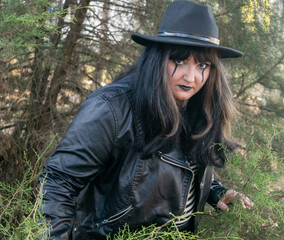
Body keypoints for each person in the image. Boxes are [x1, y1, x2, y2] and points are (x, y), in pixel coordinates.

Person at [39, 0, 253, 239]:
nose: (191, 77)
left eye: (202, 64)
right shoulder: (112, 108)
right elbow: (57, 183)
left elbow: (179, 168)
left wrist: (214, 191)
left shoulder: (197, 108)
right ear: (158, 57)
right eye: (179, 60)